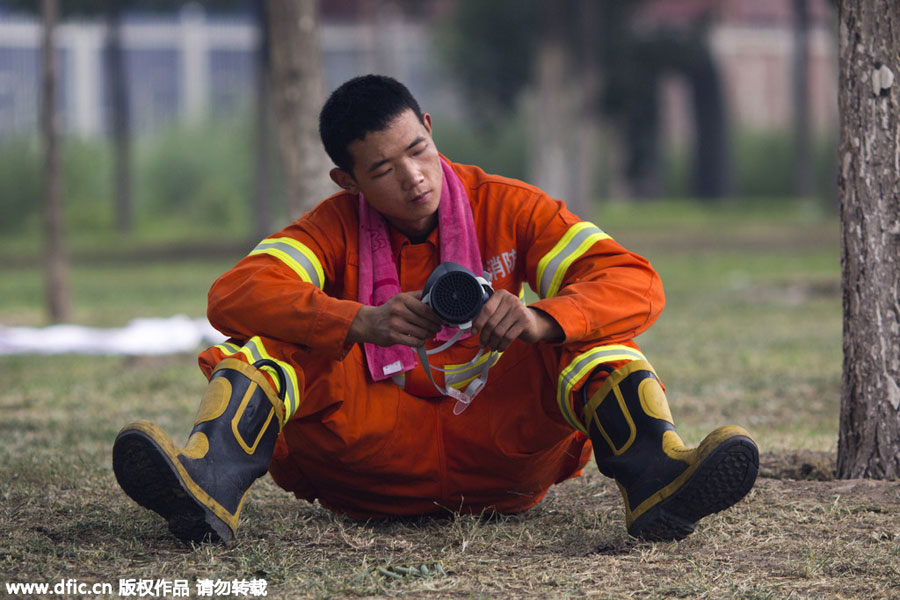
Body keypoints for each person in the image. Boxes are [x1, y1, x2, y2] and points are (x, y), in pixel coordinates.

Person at [112, 75, 758, 544]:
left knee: (591, 336)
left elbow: (632, 280)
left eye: (418, 149)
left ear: (431, 129)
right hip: (366, 466)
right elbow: (233, 295)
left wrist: (539, 319)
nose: (415, 177)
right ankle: (206, 488)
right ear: (349, 182)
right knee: (278, 337)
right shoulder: (330, 227)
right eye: (384, 168)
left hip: (501, 455)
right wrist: (357, 321)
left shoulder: (509, 205)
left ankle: (658, 482)